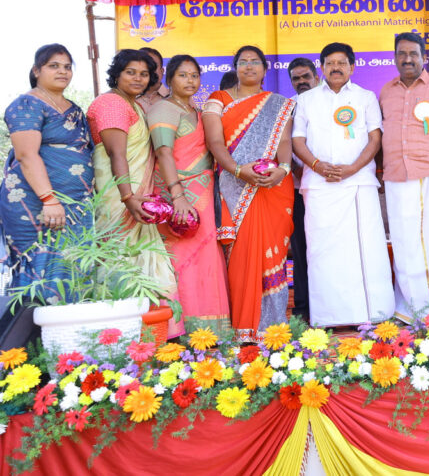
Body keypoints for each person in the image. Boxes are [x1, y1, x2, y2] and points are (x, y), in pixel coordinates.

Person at [291, 43, 394, 327]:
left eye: (341, 62)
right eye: (330, 63)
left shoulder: (365, 97)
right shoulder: (306, 100)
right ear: (321, 66)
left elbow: (375, 139)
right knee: (324, 252)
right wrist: (317, 165)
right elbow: (297, 140)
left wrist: (352, 169)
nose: (336, 67)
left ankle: (373, 313)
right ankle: (328, 317)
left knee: (366, 249)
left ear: (352, 67)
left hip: (358, 184)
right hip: (320, 186)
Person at [202, 45, 294, 338]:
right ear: (235, 67)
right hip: (234, 184)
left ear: (265, 69)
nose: (249, 66)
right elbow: (215, 143)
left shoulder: (279, 104)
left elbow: (284, 143)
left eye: (255, 62)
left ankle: (273, 328)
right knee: (241, 254)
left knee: (272, 253)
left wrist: (284, 169)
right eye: (243, 62)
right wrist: (239, 171)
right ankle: (244, 327)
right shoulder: (218, 100)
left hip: (273, 187)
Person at [87, 49, 180, 334]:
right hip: (119, 198)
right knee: (119, 262)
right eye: (131, 72)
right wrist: (128, 198)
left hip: (136, 197)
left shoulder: (135, 105)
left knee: (143, 266)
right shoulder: (111, 104)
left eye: (144, 74)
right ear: (117, 74)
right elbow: (118, 155)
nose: (138, 79)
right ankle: (116, 335)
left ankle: (151, 337)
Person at [379, 32, 429, 322]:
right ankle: (409, 308)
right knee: (404, 242)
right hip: (395, 176)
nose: (407, 59)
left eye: (413, 53)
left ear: (424, 56)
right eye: (402, 53)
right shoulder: (386, 91)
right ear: (395, 57)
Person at [147, 55, 230, 336]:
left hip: (204, 194)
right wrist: (178, 196)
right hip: (180, 196)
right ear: (168, 79)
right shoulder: (164, 109)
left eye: (194, 75)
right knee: (182, 261)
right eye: (183, 75)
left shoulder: (194, 109)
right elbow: (164, 153)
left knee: (207, 259)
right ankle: (179, 329)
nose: (190, 81)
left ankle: (209, 331)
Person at [1, 44, 93, 296]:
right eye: (54, 66)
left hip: (76, 202)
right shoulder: (26, 104)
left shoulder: (73, 108)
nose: (62, 71)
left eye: (67, 67)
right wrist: (49, 199)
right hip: (36, 201)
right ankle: (32, 335)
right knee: (39, 266)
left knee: (74, 266)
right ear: (36, 70)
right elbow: (26, 155)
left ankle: (71, 333)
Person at [286, 57, 319, 322]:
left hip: (328, 188)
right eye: (296, 79)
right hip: (298, 189)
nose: (301, 82)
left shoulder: (329, 103)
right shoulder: (289, 108)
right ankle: (302, 306)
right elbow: (284, 145)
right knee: (301, 248)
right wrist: (300, 168)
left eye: (305, 76)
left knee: (328, 246)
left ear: (316, 76)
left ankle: (329, 300)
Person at [136, 47, 170, 111]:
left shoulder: (178, 97)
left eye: (154, 65)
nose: (150, 70)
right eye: (145, 66)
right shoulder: (126, 99)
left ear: (162, 71)